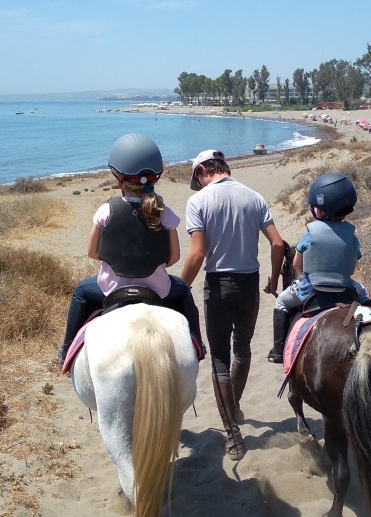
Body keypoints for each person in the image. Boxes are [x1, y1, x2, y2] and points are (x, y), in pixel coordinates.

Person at [58, 133, 204, 366]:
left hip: (111, 288)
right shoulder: (164, 213)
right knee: (184, 291)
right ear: (153, 180)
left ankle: (66, 350)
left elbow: (93, 253)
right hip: (158, 289)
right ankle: (197, 345)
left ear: (119, 181)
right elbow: (173, 258)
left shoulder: (106, 210)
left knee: (81, 292)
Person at [181, 149, 286, 460]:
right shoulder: (254, 196)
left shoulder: (198, 202)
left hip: (218, 285)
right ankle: (235, 407)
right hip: (249, 284)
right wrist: (273, 278)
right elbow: (278, 243)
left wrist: (179, 288)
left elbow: (198, 254)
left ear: (202, 170)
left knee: (219, 362)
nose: (197, 184)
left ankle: (232, 435)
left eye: (196, 178)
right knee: (243, 349)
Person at [267, 172, 371, 363]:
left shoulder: (310, 232)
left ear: (322, 209)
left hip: (311, 289)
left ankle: (279, 350)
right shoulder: (351, 235)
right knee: (364, 295)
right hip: (344, 287)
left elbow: (297, 264)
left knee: (282, 302)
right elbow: (353, 264)